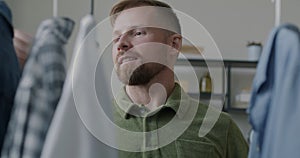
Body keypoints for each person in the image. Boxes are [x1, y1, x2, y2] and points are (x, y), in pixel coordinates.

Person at [110, 0, 248, 157]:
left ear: (173, 45)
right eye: (116, 38)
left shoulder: (221, 128)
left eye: (138, 33)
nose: (121, 44)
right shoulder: (89, 128)